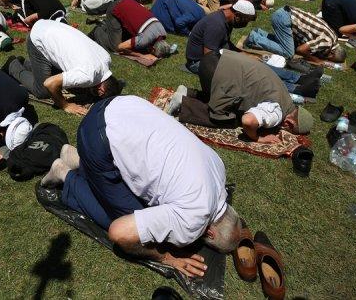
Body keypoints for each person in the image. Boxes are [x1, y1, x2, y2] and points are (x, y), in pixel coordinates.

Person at [41, 95, 241, 278]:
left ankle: (77, 158)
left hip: (118, 105)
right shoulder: (193, 220)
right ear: (210, 234)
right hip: (96, 136)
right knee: (125, 219)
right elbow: (119, 232)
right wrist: (167, 258)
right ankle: (64, 173)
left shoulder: (219, 169)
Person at [168, 50, 314, 143]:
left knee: (228, 98)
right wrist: (258, 138)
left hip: (214, 58)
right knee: (230, 119)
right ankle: (184, 104)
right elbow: (248, 121)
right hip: (214, 71)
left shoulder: (286, 99)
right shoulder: (277, 112)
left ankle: (187, 92)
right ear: (288, 123)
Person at [6, 19, 123, 115]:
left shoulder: (106, 59)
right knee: (42, 91)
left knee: (65, 81)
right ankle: (13, 65)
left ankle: (27, 64)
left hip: (50, 27)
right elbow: (49, 83)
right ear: (101, 90)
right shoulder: (87, 75)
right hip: (38, 39)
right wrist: (65, 105)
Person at [246, 6, 345, 64]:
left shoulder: (333, 37)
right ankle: (254, 38)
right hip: (284, 19)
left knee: (286, 45)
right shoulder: (327, 42)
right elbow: (301, 50)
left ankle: (259, 33)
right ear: (332, 53)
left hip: (286, 13)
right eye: (329, 59)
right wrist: (316, 60)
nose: (326, 58)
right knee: (289, 53)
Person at [89, 0, 172, 62]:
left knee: (125, 37)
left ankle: (107, 26)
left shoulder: (163, 33)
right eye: (153, 53)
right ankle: (98, 31)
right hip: (115, 8)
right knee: (114, 47)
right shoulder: (144, 40)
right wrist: (142, 56)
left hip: (127, 1)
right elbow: (119, 47)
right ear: (153, 49)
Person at [185, 0, 255, 73]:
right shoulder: (217, 25)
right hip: (198, 62)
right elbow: (209, 57)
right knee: (241, 71)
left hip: (211, 55)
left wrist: (241, 54)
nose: (246, 24)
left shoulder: (227, 19)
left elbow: (226, 43)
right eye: (246, 21)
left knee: (244, 63)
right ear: (237, 15)